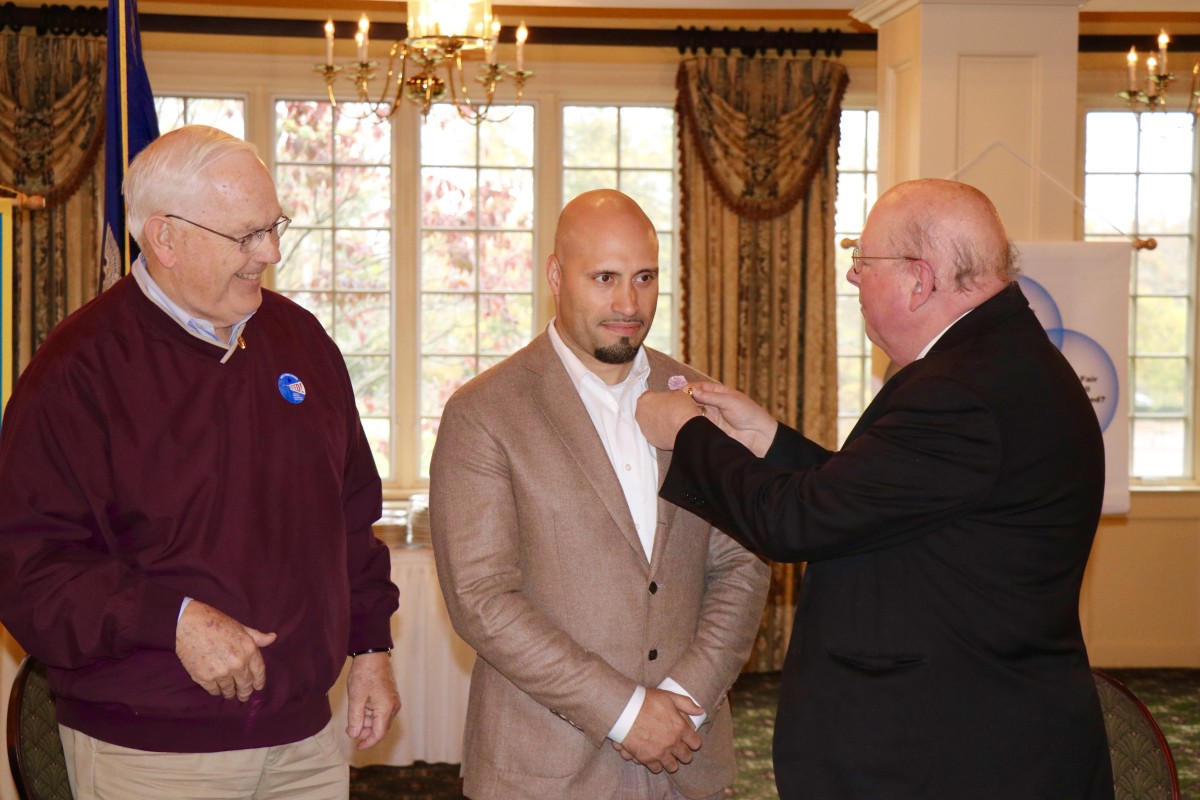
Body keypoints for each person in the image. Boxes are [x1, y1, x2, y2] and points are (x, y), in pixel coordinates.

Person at [636, 178, 1115, 799]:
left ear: (921, 279)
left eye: (863, 260)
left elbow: (796, 525)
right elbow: (876, 501)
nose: (854, 277)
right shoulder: (994, 360)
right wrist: (767, 438)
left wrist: (689, 435)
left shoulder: (961, 391)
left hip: (953, 756)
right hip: (979, 733)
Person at [0, 125, 401, 799]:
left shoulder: (301, 340)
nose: (270, 253)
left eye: (274, 227)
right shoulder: (78, 369)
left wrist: (370, 650)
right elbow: (27, 569)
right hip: (153, 753)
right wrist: (172, 618)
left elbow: (350, 518)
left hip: (307, 741)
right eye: (246, 236)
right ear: (165, 237)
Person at [429, 188, 770, 800]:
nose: (628, 303)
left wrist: (684, 702)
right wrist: (626, 712)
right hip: (541, 772)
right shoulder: (484, 412)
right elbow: (482, 599)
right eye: (605, 277)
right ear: (557, 276)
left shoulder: (701, 399)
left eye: (645, 278)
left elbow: (741, 566)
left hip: (687, 763)